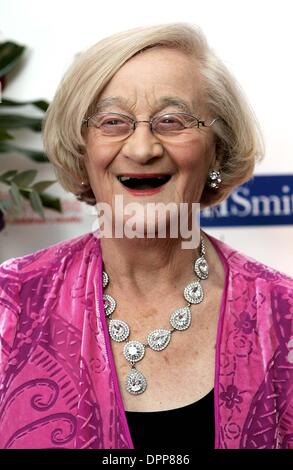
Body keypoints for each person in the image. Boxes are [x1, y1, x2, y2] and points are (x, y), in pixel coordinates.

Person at [0, 22, 292, 450]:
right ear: (82, 150)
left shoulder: (283, 319)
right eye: (113, 121)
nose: (141, 148)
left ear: (218, 147)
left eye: (172, 121)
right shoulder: (10, 306)